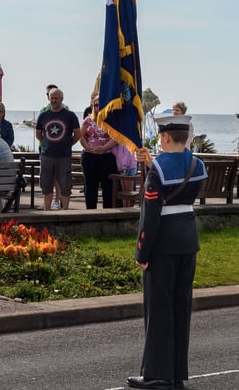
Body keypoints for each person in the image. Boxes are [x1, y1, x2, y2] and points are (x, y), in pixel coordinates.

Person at [127, 115, 208, 390]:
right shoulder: (198, 164)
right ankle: (175, 375)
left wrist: (142, 252)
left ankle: (156, 375)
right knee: (180, 308)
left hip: (163, 243)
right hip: (188, 239)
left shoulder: (157, 169)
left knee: (159, 310)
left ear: (163, 138)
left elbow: (151, 216)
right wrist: (152, 164)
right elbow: (178, 184)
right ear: (185, 138)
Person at [35, 88, 81, 210]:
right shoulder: (43, 116)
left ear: (61, 99)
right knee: (46, 185)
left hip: (64, 156)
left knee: (65, 185)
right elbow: (39, 134)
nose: (54, 100)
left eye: (56, 98)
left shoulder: (70, 116)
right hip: (46, 156)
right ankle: (47, 209)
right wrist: (46, 144)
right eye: (52, 98)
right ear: (49, 99)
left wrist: (68, 144)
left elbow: (77, 134)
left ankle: (65, 210)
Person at [79, 97, 119, 209]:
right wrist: (88, 147)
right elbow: (81, 136)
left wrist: (104, 147)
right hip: (89, 156)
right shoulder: (88, 120)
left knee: (108, 187)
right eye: (95, 105)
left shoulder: (112, 120)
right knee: (90, 186)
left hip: (107, 156)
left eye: (100, 105)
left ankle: (108, 213)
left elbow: (116, 137)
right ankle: (91, 212)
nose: (98, 107)